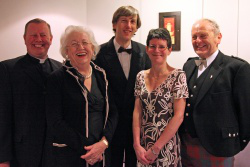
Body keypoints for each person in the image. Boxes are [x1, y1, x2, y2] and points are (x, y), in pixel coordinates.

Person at [45, 25, 118, 167]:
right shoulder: (56, 79)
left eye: (85, 43)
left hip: (101, 153)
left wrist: (104, 142)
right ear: (66, 51)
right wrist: (89, 149)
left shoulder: (102, 75)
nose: (81, 47)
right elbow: (55, 122)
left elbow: (113, 112)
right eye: (74, 44)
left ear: (92, 47)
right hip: (71, 155)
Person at [180, 18, 250, 166]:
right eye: (194, 37)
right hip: (186, 145)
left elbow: (246, 111)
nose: (198, 41)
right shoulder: (189, 65)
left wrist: (237, 143)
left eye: (203, 36)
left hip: (218, 147)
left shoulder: (237, 68)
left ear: (218, 37)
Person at [94, 6, 151, 167]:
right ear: (114, 24)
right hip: (110, 124)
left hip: (137, 124)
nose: (129, 25)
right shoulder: (98, 53)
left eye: (133, 22)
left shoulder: (144, 51)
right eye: (124, 21)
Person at [0, 18, 62, 167]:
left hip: (54, 152)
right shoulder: (7, 69)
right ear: (24, 39)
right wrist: (3, 159)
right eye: (33, 35)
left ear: (51, 39)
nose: (38, 39)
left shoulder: (61, 69)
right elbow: (2, 116)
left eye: (43, 35)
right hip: (22, 152)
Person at [133, 28, 189, 167]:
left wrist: (156, 148)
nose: (156, 50)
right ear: (147, 49)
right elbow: (137, 111)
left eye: (162, 47)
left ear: (169, 50)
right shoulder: (140, 76)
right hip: (143, 146)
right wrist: (136, 144)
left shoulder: (178, 76)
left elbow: (179, 116)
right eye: (153, 46)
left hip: (166, 146)